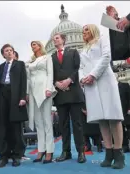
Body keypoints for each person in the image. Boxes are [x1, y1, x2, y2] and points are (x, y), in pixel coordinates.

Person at [79, 24, 125, 169]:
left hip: (104, 80)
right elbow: (80, 67)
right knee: (102, 120)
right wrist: (82, 79)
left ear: (93, 30)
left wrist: (93, 74)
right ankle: (108, 152)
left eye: (86, 29)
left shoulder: (102, 39)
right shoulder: (82, 49)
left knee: (113, 117)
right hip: (91, 85)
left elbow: (106, 57)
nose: (84, 32)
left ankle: (118, 153)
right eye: (83, 31)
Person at [51, 33, 86, 163]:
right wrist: (56, 83)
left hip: (73, 92)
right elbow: (51, 73)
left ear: (63, 40)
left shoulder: (73, 52)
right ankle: (66, 152)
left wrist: (69, 80)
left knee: (77, 124)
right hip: (60, 94)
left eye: (57, 38)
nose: (55, 40)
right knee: (63, 125)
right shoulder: (51, 57)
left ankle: (81, 151)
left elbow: (78, 68)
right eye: (53, 39)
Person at [0, 44, 28, 167]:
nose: (9, 52)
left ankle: (17, 154)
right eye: (6, 51)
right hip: (2, 94)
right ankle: (4, 155)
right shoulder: (0, 67)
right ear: (3, 54)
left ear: (14, 53)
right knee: (3, 126)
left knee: (16, 126)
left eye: (11, 50)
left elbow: (23, 82)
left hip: (15, 95)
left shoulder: (20, 64)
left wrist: (23, 97)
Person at [26, 41, 57, 164]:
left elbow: (50, 73)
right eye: (31, 45)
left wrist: (49, 88)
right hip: (33, 91)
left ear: (40, 46)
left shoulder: (47, 57)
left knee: (47, 122)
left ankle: (49, 151)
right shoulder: (30, 62)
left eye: (34, 44)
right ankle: (41, 150)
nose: (32, 46)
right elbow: (28, 78)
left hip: (44, 90)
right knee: (38, 122)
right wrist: (27, 93)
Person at [118, 81, 130, 153]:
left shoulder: (125, 85)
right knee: (121, 130)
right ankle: (124, 146)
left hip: (127, 111)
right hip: (117, 113)